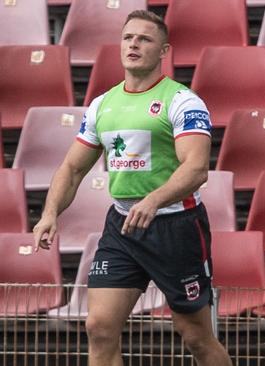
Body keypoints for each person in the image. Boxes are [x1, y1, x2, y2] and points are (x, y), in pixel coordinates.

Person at [33, 10, 232, 366]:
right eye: (128, 38)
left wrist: (154, 200)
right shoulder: (102, 105)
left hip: (177, 227)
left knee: (197, 338)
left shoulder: (183, 101)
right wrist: (50, 213)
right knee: (99, 326)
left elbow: (196, 169)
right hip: (123, 227)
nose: (134, 44)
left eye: (144, 39)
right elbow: (73, 168)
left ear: (164, 51)